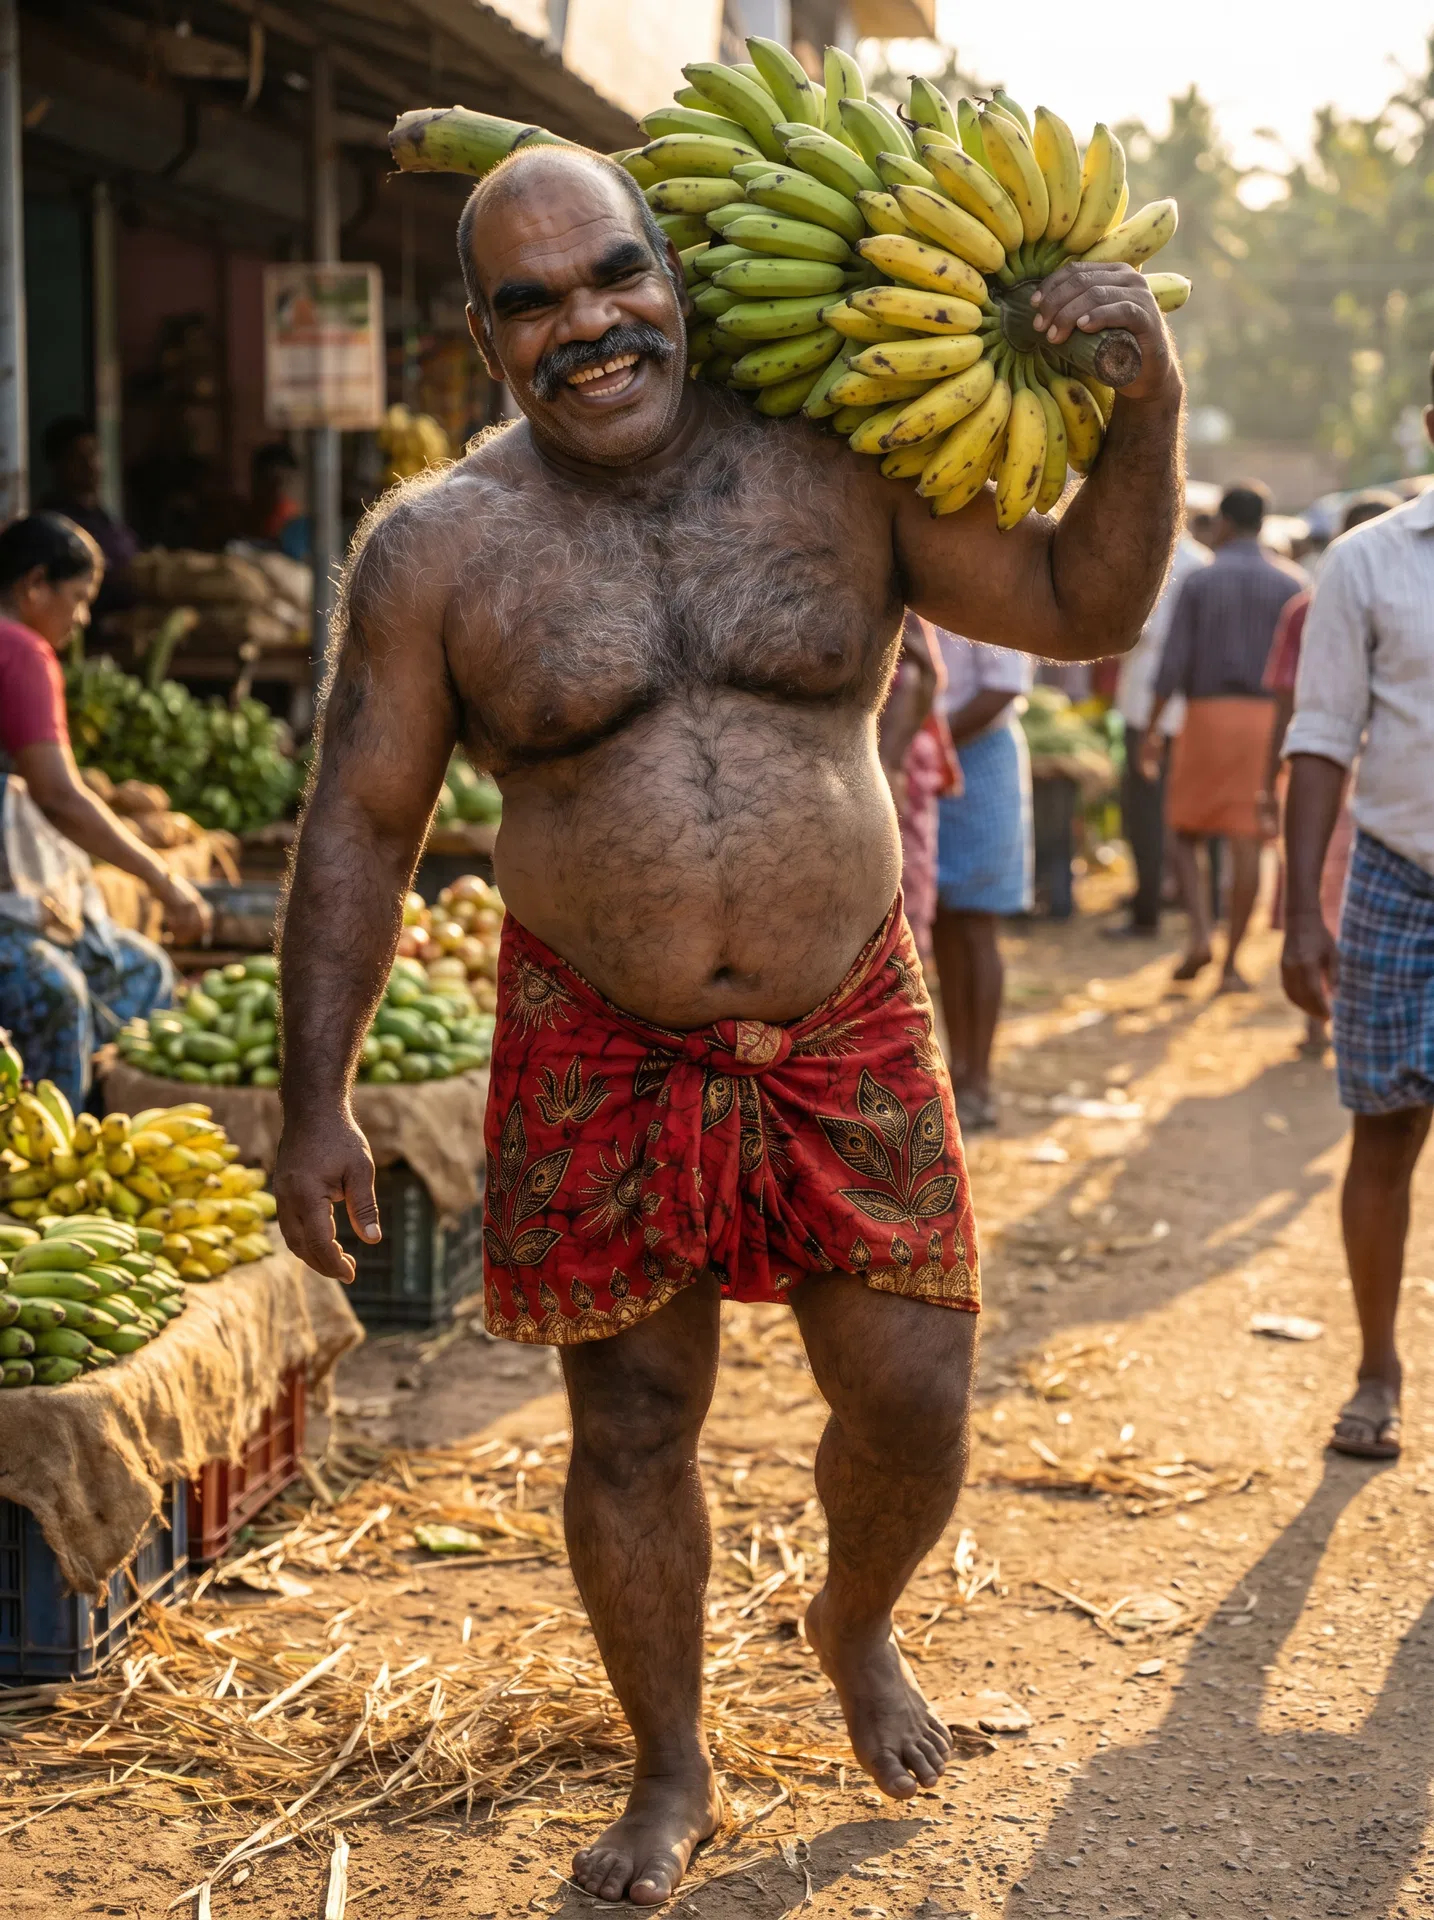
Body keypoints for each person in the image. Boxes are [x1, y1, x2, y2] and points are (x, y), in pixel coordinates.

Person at [272, 146, 1183, 1906]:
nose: (585, 326)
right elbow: (359, 827)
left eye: (612, 276)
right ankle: (669, 1763)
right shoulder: (438, 550)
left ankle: (851, 1620)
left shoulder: (841, 461)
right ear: (482, 336)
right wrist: (317, 1100)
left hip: (842, 1010)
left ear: (673, 272)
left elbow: (1083, 609)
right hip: (590, 1031)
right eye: (530, 302)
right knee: (627, 1425)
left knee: (914, 1396)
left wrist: (1143, 410)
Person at [1280, 375, 1434, 1464]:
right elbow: (1322, 735)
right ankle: (1377, 1368)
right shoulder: (1370, 560)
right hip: (1395, 876)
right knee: (1383, 1132)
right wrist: (1299, 911)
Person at [0, 513, 211, 1105]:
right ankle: (51, 1160)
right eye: (78, 598)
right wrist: (162, 879)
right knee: (69, 991)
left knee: (134, 966)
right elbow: (60, 796)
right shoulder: (20, 651)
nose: (83, 618)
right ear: (34, 584)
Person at [1141, 481, 1305, 989]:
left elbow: (1173, 661)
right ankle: (1232, 962)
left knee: (1182, 829)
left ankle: (1199, 934)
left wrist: (1151, 727)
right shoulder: (1293, 584)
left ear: (1226, 524)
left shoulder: (1200, 582)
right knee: (1248, 842)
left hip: (1207, 716)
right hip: (1267, 725)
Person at [1264, 492, 1399, 1055]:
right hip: (1339, 767)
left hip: (1355, 770)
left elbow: (1287, 696)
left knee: (1333, 879)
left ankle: (1329, 1017)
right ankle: (1328, 1013)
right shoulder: (1313, 604)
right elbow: (1297, 701)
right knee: (1332, 879)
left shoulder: (1308, 605)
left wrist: (1277, 760)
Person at [929, 632, 1034, 1133]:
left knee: (976, 921)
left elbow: (1003, 689)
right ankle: (956, 1070)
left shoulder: (992, 609)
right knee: (946, 920)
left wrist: (932, 736)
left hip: (980, 759)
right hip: (929, 762)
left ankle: (979, 1079)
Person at [1109, 496, 1212, 936]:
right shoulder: (1204, 563)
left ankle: (1147, 910)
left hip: (1147, 704)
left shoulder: (1150, 556)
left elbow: (1129, 631)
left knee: (1147, 814)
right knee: (1198, 812)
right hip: (1192, 709)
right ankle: (1206, 908)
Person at [878, 612, 954, 963]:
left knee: (901, 900)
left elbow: (929, 674)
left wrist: (891, 762)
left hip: (899, 780)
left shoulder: (901, 620)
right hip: (879, 778)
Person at [39, 417, 139, 621]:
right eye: (79, 457)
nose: (91, 465)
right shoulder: (51, 524)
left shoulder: (107, 520)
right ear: (57, 465)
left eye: (94, 454)